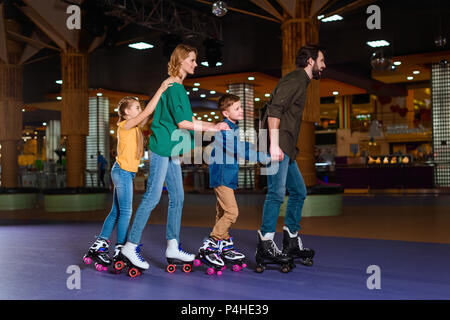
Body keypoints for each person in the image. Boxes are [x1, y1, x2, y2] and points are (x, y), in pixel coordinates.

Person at [120, 44, 230, 272]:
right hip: (162, 147)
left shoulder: (175, 86)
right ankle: (130, 246)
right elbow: (184, 123)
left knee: (178, 196)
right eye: (192, 60)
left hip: (171, 148)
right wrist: (214, 126)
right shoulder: (175, 88)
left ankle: (172, 246)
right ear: (181, 61)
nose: (196, 64)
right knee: (152, 197)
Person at [82, 79, 172, 272]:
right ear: (126, 112)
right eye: (136, 107)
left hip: (125, 174)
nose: (140, 110)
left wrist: (162, 98)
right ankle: (122, 248)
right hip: (122, 172)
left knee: (116, 212)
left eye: (140, 107)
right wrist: (161, 87)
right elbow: (147, 112)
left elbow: (149, 114)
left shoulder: (136, 128)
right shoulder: (125, 125)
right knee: (126, 211)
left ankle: (100, 244)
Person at [256, 44, 326, 269]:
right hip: (278, 145)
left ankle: (291, 240)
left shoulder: (302, 82)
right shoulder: (295, 79)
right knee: (276, 193)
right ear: (311, 61)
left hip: (286, 146)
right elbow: (274, 110)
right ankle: (265, 245)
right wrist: (274, 145)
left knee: (298, 191)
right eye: (321, 60)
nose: (324, 65)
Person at [195, 94, 260, 274]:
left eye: (241, 107)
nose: (241, 111)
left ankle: (221, 243)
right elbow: (238, 149)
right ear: (226, 112)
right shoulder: (225, 129)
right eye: (237, 108)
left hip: (228, 176)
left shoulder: (233, 127)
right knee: (232, 212)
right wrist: (264, 156)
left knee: (222, 211)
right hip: (222, 176)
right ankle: (213, 241)